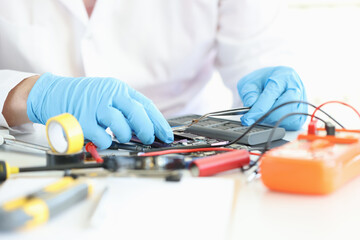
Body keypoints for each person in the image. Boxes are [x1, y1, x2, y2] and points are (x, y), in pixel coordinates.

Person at [0, 0, 307, 149]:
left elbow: (259, 53)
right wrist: (27, 94)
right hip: (26, 152)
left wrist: (274, 88)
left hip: (184, 159)